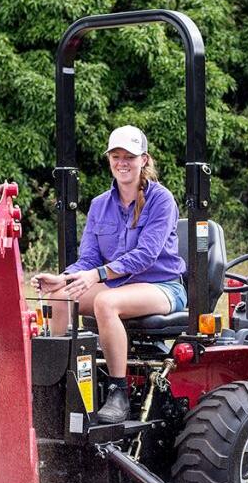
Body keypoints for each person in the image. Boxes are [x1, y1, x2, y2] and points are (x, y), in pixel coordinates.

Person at [32, 125, 186, 423]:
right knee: (60, 296)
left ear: (144, 159)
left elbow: (145, 256)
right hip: (116, 284)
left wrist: (97, 275)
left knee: (106, 303)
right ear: (109, 160)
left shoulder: (161, 200)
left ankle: (119, 392)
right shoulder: (100, 205)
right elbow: (89, 258)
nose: (122, 162)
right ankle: (56, 386)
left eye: (129, 156)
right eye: (116, 156)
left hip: (160, 286)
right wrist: (63, 278)